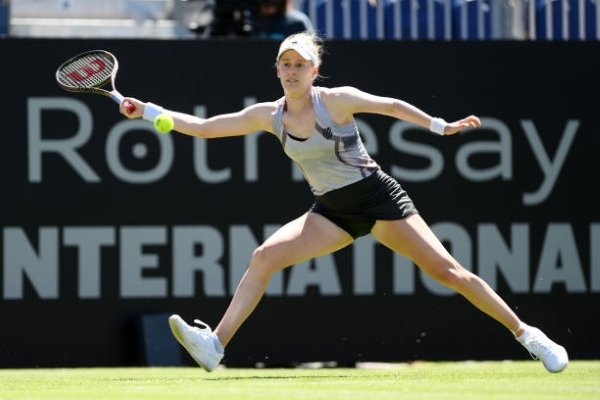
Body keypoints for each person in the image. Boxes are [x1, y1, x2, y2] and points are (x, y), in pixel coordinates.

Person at [119, 31, 569, 374]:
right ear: (277, 70)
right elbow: (203, 127)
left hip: (377, 198)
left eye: (301, 65)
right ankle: (215, 345)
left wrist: (440, 126)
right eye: (285, 64)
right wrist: (149, 112)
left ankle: (528, 335)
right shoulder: (267, 115)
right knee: (264, 257)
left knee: (448, 272)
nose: (292, 71)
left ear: (315, 71)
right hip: (331, 211)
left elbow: (391, 105)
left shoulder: (336, 101)